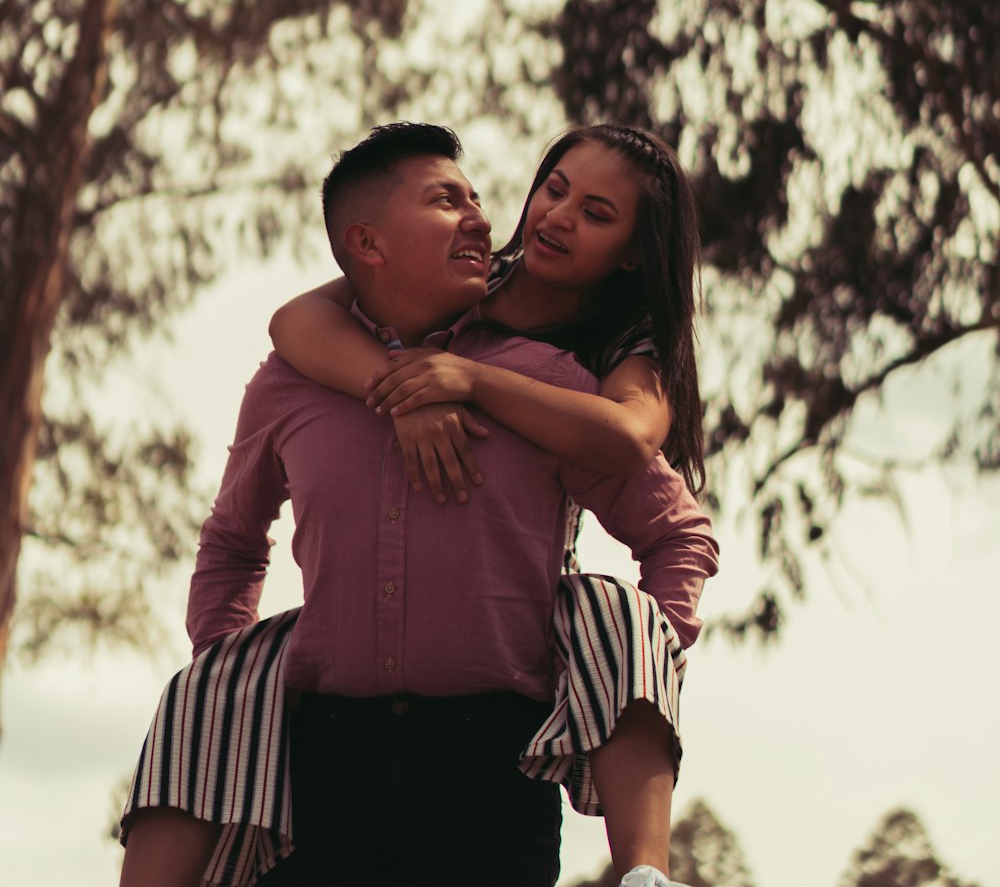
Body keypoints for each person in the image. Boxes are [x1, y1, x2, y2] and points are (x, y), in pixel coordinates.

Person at [119, 123, 717, 887]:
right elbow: (234, 538)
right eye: (553, 189)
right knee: (210, 682)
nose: (490, 216)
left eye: (598, 214)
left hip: (492, 766)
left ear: (632, 249)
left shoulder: (563, 384)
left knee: (612, 614)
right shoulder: (297, 375)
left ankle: (644, 872)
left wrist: (623, 671)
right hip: (322, 763)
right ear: (368, 243)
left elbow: (669, 513)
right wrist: (238, 687)